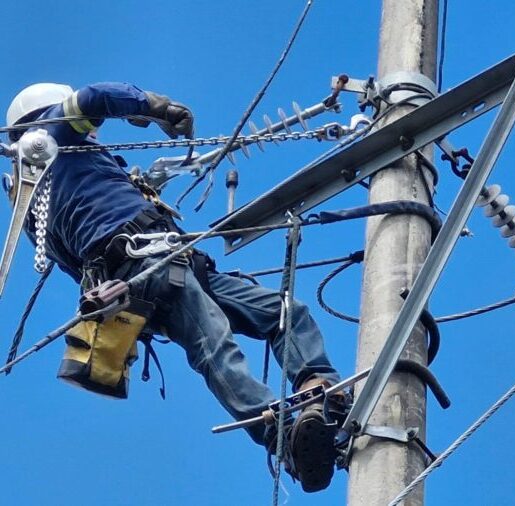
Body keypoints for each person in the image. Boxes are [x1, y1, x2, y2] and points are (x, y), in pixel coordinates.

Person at [4, 82, 348, 493]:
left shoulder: (41, 201)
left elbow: (73, 267)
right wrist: (154, 108)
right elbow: (93, 99)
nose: (95, 133)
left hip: (170, 264)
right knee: (215, 345)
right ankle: (288, 439)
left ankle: (318, 390)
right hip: (146, 264)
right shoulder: (53, 136)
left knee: (282, 312)